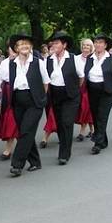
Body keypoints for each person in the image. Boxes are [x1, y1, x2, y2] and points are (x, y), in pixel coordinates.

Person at [8, 33, 50, 177]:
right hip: (18, 100)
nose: (24, 46)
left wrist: (40, 98)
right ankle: (35, 161)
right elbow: (0, 79)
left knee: (26, 131)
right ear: (16, 48)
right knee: (26, 132)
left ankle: (17, 164)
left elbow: (46, 82)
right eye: (20, 44)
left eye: (26, 44)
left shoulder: (38, 62)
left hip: (34, 101)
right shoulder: (11, 64)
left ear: (31, 46)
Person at [45, 30, 85, 165]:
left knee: (67, 122)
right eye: (53, 43)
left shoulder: (74, 59)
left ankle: (64, 153)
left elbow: (81, 77)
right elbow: (46, 79)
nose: (53, 45)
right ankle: (64, 145)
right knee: (60, 123)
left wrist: (74, 89)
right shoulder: (48, 60)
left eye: (57, 43)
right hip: (55, 95)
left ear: (64, 45)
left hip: (70, 96)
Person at [85, 34, 112, 154]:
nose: (98, 45)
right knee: (96, 116)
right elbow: (83, 76)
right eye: (96, 42)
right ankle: (103, 140)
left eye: (101, 42)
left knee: (102, 116)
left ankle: (97, 143)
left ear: (105, 45)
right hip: (92, 90)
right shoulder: (89, 58)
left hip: (107, 91)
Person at [0, 39, 19, 160]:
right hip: (8, 92)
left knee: (18, 120)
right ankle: (9, 148)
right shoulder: (4, 63)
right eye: (10, 48)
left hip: (20, 92)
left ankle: (14, 148)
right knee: (10, 119)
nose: (12, 51)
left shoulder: (25, 62)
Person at [74, 38, 94, 142]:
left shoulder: (94, 58)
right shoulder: (76, 58)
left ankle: (82, 131)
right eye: (84, 45)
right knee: (83, 109)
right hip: (78, 86)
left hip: (90, 86)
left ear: (91, 47)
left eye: (88, 45)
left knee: (86, 107)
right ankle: (92, 130)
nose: (85, 47)